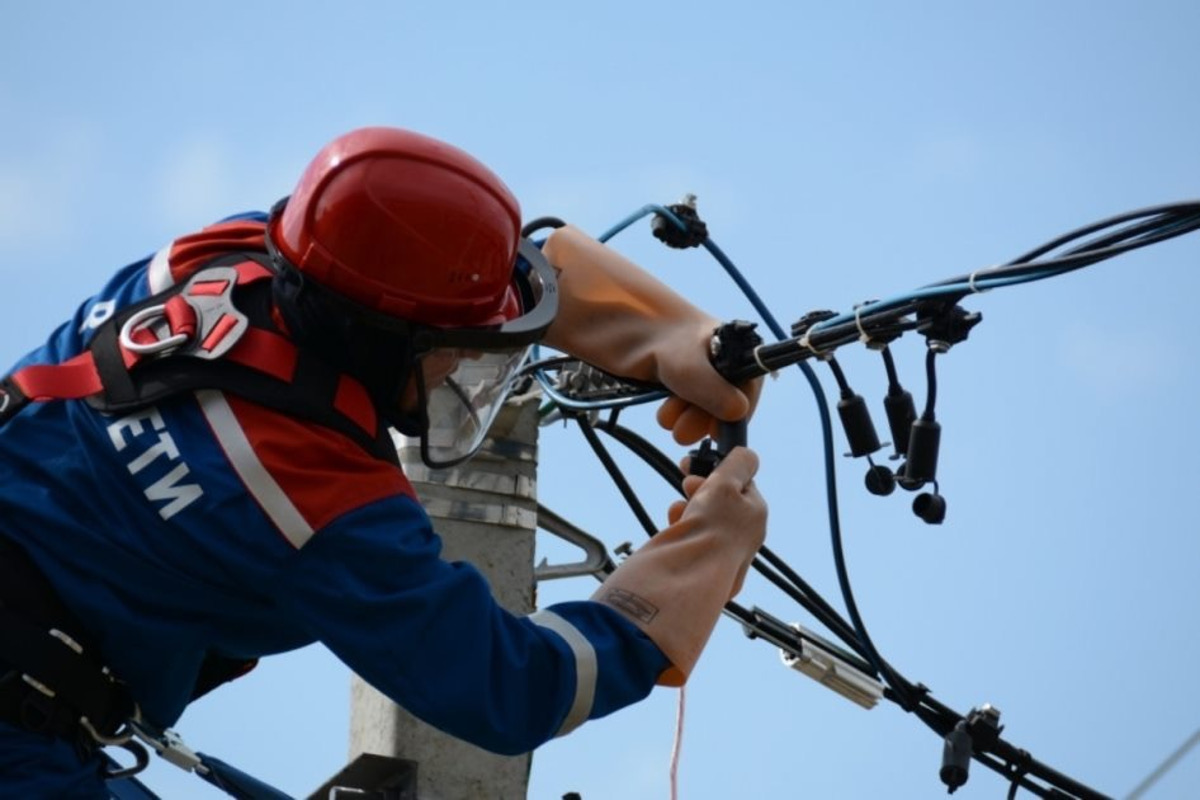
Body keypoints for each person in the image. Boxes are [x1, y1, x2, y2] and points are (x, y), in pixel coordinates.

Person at [0, 126, 767, 797]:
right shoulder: (306, 490)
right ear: (375, 341)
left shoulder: (233, 255)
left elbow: (406, 240)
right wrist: (694, 564)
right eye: (453, 352)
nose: (462, 368)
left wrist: (665, 328)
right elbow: (511, 687)